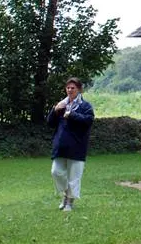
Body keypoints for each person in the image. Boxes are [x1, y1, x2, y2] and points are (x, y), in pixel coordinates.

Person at [47, 77, 94, 212]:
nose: (70, 90)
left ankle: (69, 203)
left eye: (73, 88)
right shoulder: (61, 105)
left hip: (77, 146)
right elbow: (50, 123)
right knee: (56, 172)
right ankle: (66, 193)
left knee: (74, 177)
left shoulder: (85, 106)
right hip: (60, 146)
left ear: (79, 90)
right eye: (68, 87)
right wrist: (55, 110)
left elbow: (88, 121)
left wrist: (72, 115)